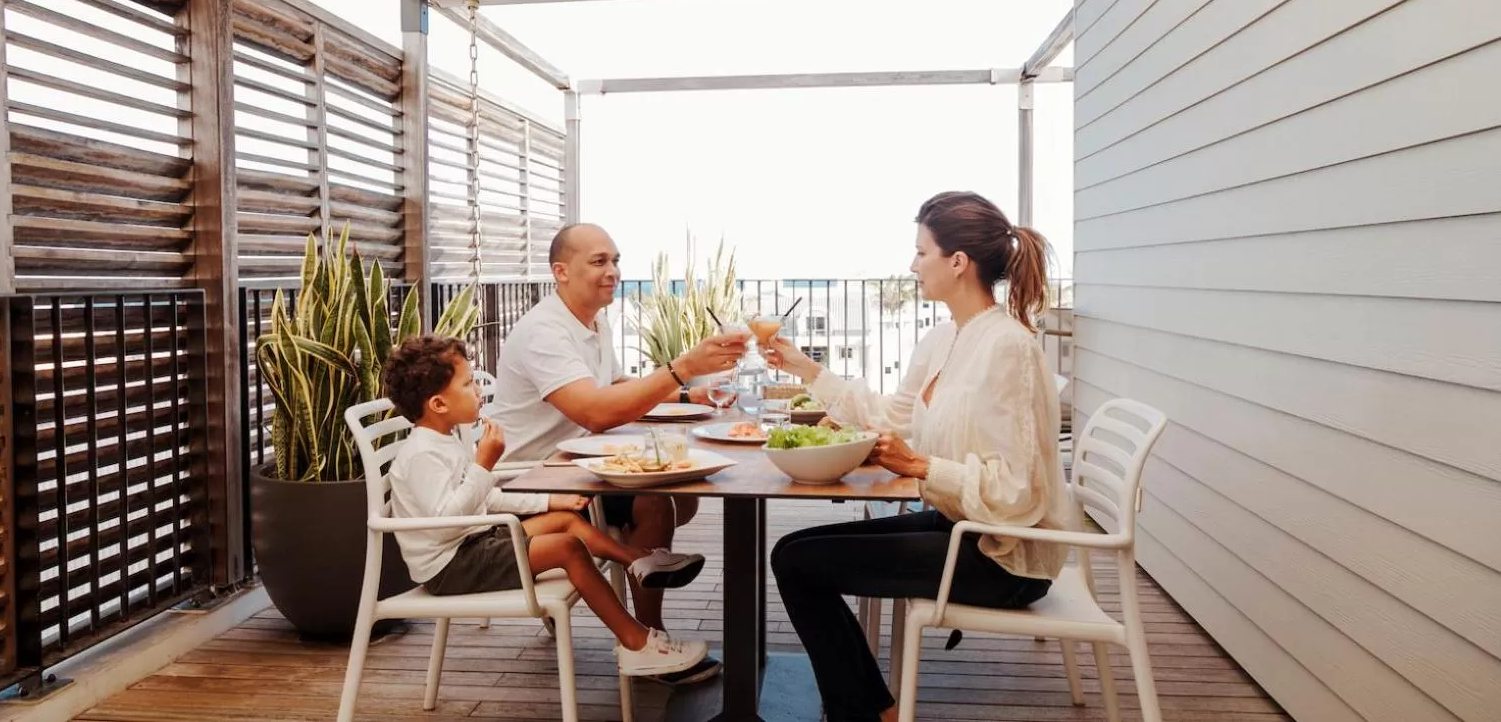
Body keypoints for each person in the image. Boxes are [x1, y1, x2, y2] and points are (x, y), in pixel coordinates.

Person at [760, 191, 1074, 722]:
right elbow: (894, 417)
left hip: (1004, 557)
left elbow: (1019, 493)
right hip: (963, 525)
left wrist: (921, 466)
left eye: (922, 252)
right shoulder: (946, 338)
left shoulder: (1008, 347)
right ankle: (874, 708)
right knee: (791, 550)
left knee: (798, 565)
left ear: (958, 262)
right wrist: (805, 369)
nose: (912, 265)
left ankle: (862, 712)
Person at [488, 223, 748, 683]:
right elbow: (594, 411)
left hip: (577, 467)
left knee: (679, 495)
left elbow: (614, 386)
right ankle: (648, 640)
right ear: (561, 271)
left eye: (615, 260)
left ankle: (645, 627)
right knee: (655, 502)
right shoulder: (544, 331)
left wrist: (687, 396)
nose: (612, 271)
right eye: (599, 261)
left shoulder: (593, 320)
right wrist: (683, 366)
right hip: (532, 482)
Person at [383, 335, 711, 677]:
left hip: (473, 541)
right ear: (438, 404)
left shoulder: (444, 440)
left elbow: (486, 498)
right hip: (451, 565)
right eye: (467, 384)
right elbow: (445, 522)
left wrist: (550, 501)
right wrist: (483, 466)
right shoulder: (423, 454)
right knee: (568, 548)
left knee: (565, 519)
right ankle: (636, 643)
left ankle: (639, 560)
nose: (477, 390)